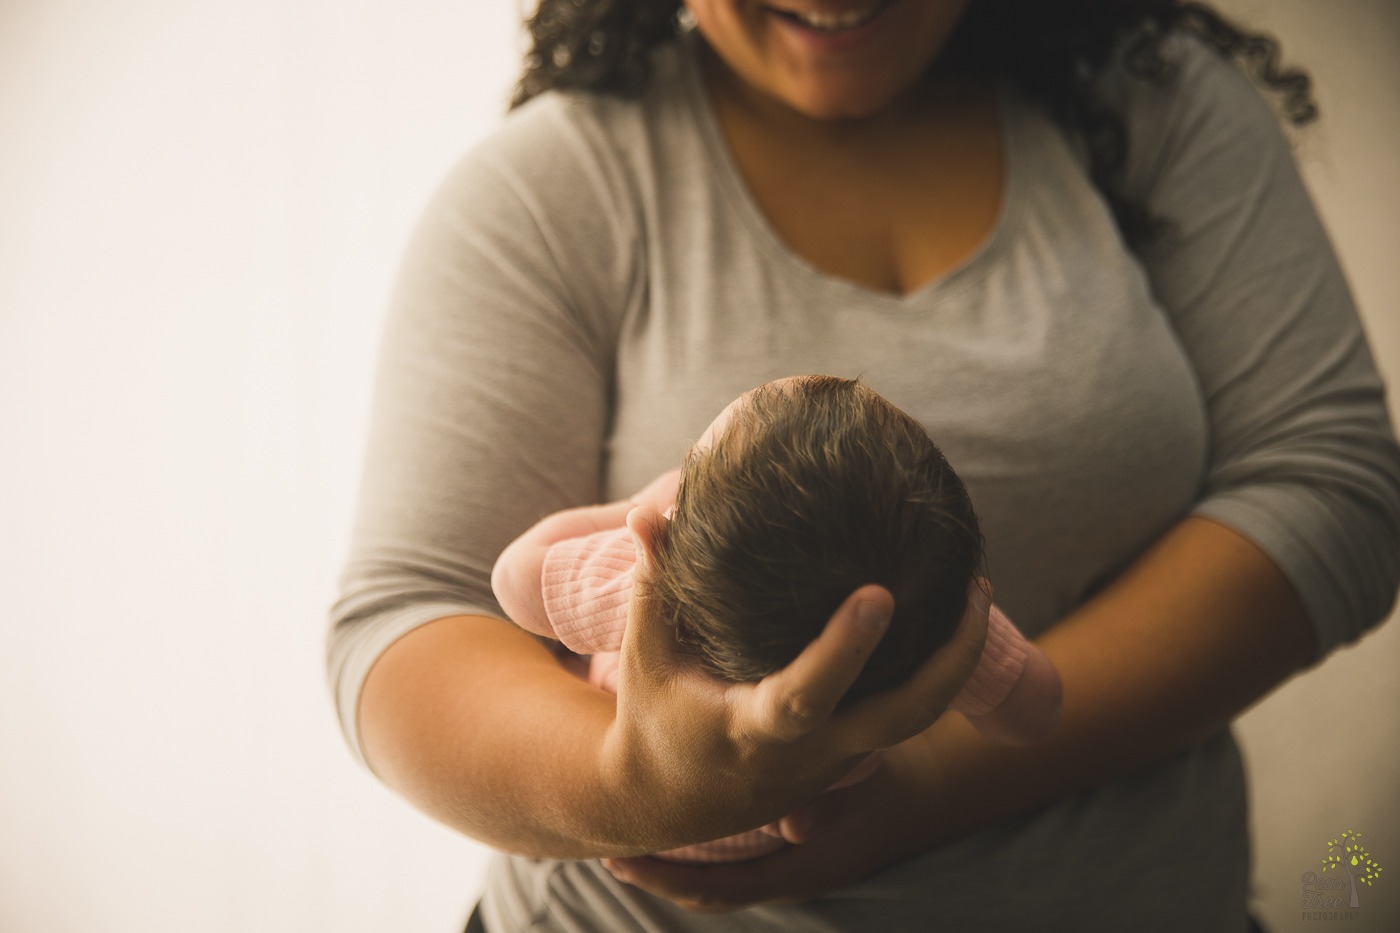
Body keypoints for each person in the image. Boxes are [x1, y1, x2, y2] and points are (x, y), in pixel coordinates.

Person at [328, 0, 1400, 929]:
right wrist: (638, 786)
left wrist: (924, 786)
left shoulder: (1150, 104)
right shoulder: (554, 188)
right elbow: (412, 619)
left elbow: (1335, 488)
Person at [489, 375, 1063, 863]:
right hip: (789, 838)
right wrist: (971, 624)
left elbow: (514, 581)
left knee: (563, 674)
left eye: (693, 466)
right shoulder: (942, 621)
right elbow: (1035, 716)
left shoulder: (652, 580)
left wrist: (639, 514)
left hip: (645, 817)